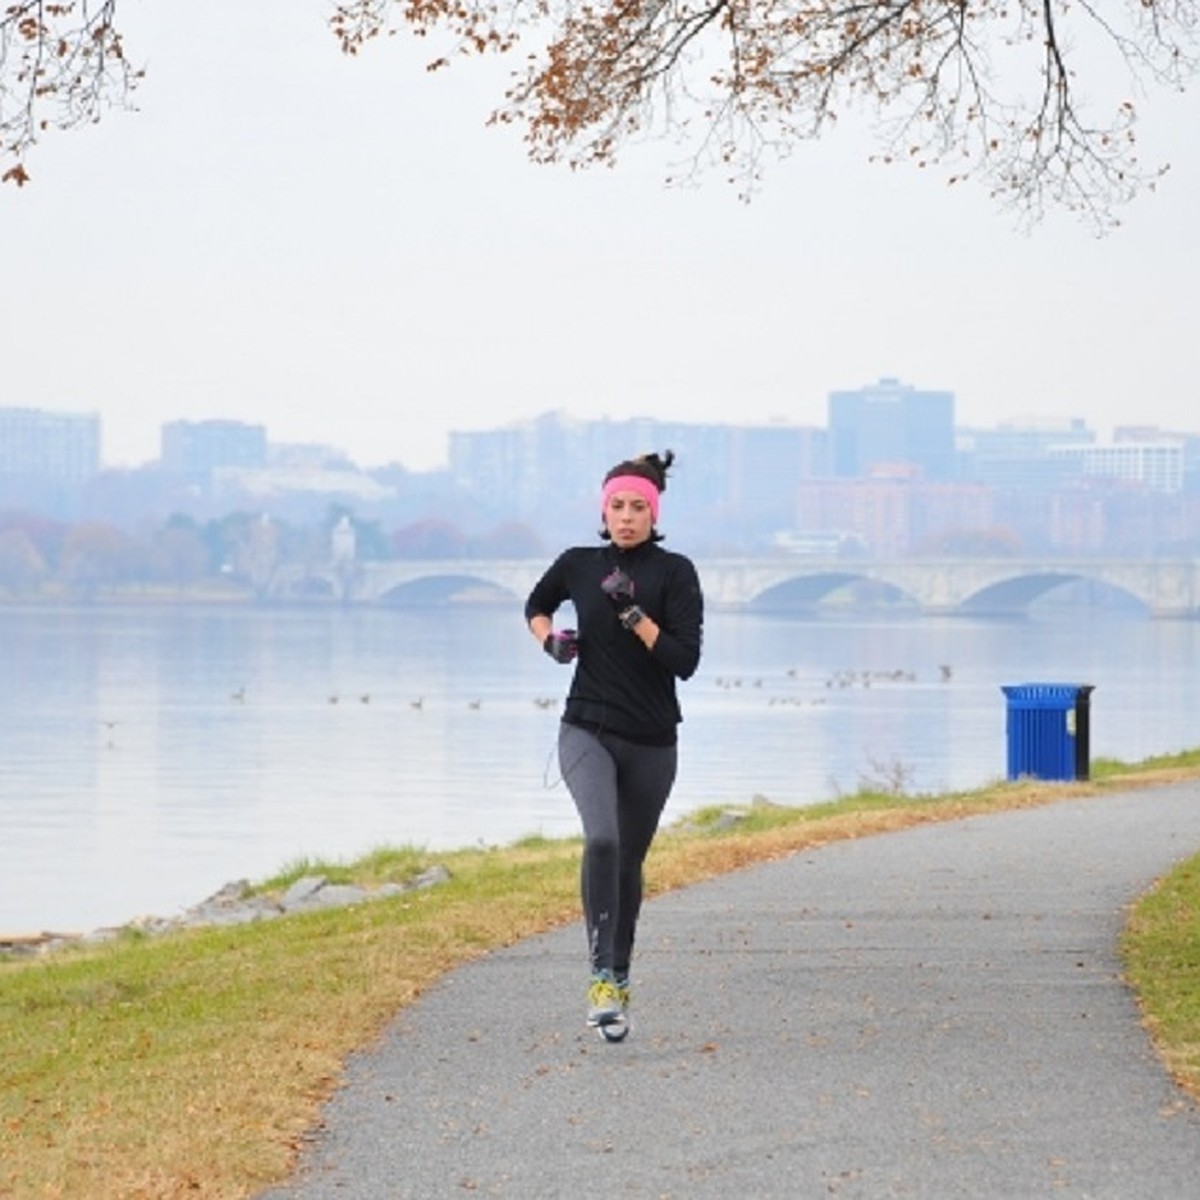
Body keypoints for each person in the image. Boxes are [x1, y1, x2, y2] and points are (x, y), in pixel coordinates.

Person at [525, 450, 704, 1034]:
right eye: (616, 507)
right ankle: (600, 975)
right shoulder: (578, 564)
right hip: (586, 729)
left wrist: (634, 615)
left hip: (653, 740)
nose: (626, 517)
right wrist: (550, 641)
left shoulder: (675, 573)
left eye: (637, 507)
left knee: (629, 860)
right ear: (603, 511)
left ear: (654, 513)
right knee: (602, 839)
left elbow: (685, 662)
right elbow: (537, 605)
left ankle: (620, 978)